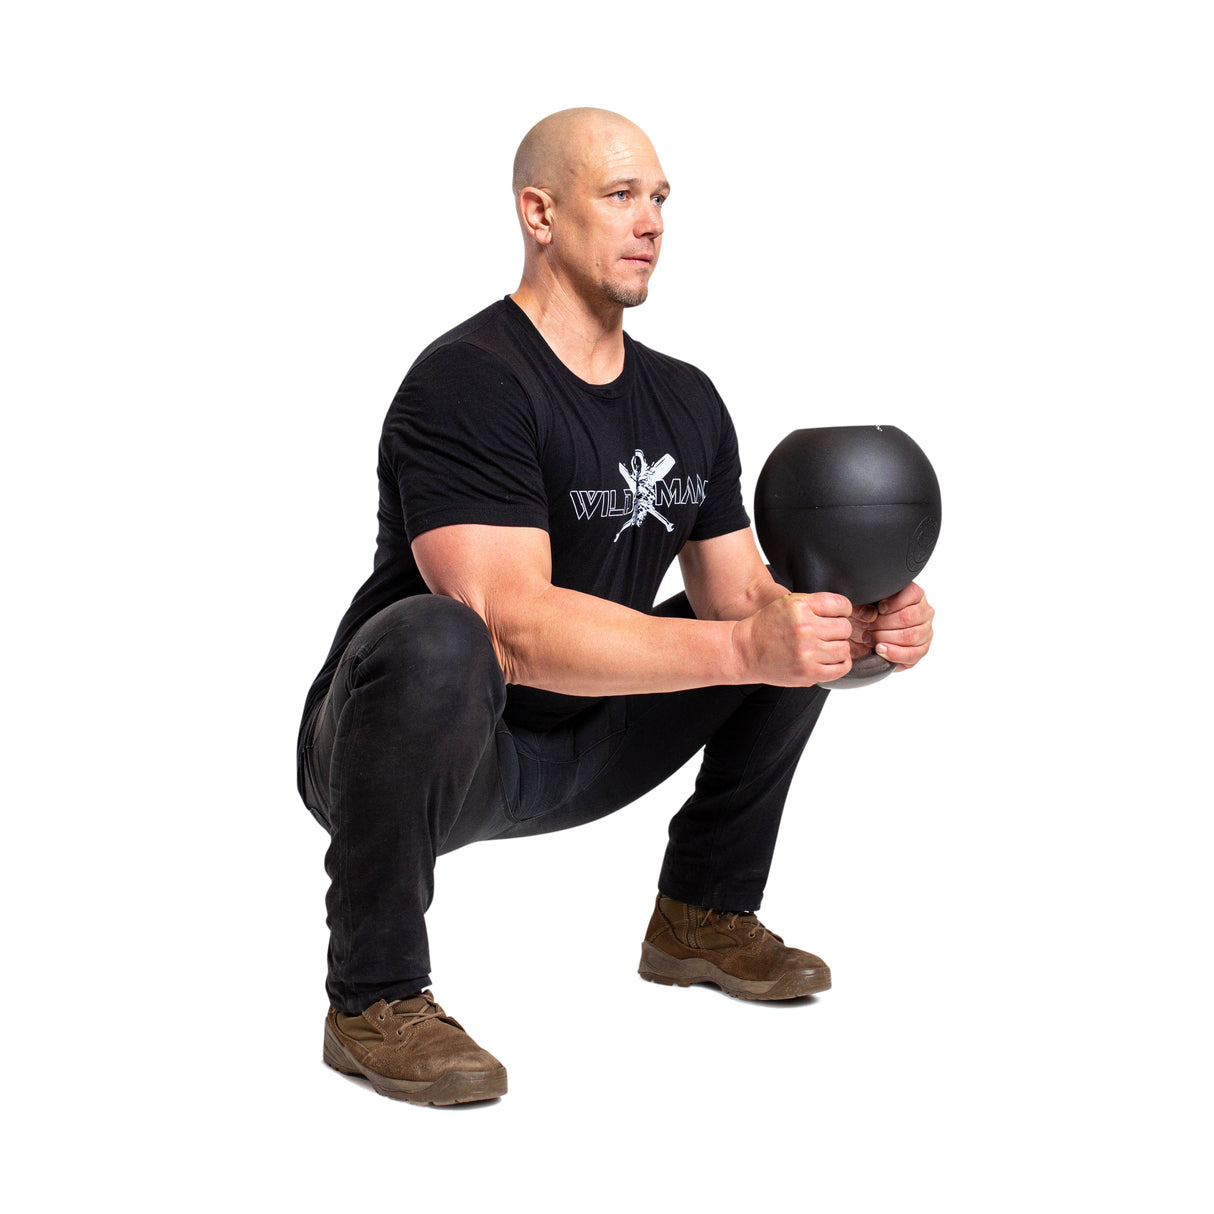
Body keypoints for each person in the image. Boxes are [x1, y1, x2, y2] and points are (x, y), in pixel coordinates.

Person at [297, 107, 935, 1105]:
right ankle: (373, 999)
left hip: (587, 740)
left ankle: (701, 915)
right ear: (538, 211)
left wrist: (854, 630)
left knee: (791, 607)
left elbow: (742, 606)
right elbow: (507, 624)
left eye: (660, 198)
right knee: (439, 634)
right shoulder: (469, 379)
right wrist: (752, 641)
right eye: (620, 194)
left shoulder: (684, 399)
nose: (651, 221)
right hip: (428, 753)